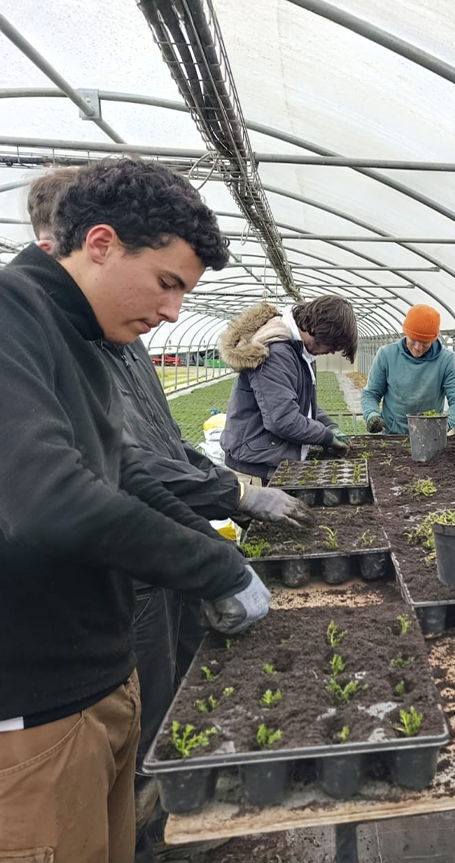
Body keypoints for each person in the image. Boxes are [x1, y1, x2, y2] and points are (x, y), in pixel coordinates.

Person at [27, 167, 309, 860]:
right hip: (32, 696)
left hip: (97, 674)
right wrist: (214, 560)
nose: (176, 311)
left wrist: (213, 547)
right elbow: (51, 496)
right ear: (99, 243)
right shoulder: (17, 327)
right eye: (168, 283)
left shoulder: (87, 338)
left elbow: (117, 467)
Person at [220, 296, 358, 483]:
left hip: (270, 463)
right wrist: (325, 436)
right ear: (316, 329)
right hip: (256, 471)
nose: (332, 352)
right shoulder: (276, 353)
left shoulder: (299, 351)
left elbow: (303, 404)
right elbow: (283, 420)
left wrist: (329, 424)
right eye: (332, 345)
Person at [361, 303, 455, 434]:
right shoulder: (386, 355)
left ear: (434, 339)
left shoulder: (446, 360)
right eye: (414, 339)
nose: (418, 347)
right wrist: (371, 414)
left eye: (424, 342)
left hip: (430, 438)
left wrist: (441, 426)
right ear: (405, 332)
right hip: (392, 436)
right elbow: (371, 393)